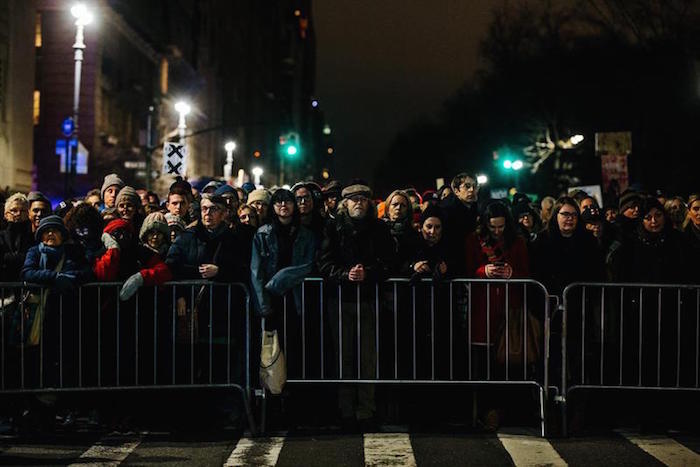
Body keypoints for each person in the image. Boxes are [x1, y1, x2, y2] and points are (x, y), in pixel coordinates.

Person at [318, 182, 394, 428]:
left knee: (367, 358)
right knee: (344, 358)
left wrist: (368, 273)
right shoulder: (333, 227)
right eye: (353, 200)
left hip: (369, 299)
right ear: (345, 204)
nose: (358, 203)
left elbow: (388, 262)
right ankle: (346, 409)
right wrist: (344, 274)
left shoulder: (379, 229)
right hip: (340, 299)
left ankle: (366, 410)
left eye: (363, 199)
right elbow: (324, 262)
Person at [250, 188, 315, 333]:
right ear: (273, 206)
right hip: (271, 297)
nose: (283, 205)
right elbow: (256, 271)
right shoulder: (262, 234)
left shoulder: (306, 235)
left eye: (288, 201)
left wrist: (280, 279)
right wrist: (263, 306)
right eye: (278, 201)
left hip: (296, 297)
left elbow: (308, 265)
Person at [531, 196, 603, 296]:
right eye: (565, 214)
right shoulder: (541, 241)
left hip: (581, 300)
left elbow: (595, 271)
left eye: (574, 214)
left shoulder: (588, 240)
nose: (570, 218)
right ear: (556, 215)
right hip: (551, 300)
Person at [119, 212, 173, 301]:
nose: (155, 237)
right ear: (145, 234)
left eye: (159, 233)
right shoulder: (136, 251)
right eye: (151, 232)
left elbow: (167, 272)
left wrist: (141, 277)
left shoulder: (170, 253)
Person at [439, 173, 480, 275]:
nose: (471, 190)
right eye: (467, 186)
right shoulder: (447, 211)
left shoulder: (474, 208)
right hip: (453, 266)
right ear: (456, 191)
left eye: (475, 186)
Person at [382, 189, 420, 275]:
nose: (398, 208)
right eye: (395, 205)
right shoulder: (379, 230)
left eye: (403, 205)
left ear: (408, 209)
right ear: (388, 208)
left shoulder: (413, 234)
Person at [0, 193, 34, 281]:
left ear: (27, 214)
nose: (18, 214)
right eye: (14, 210)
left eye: (22, 211)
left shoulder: (32, 236)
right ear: (5, 214)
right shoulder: (1, 235)